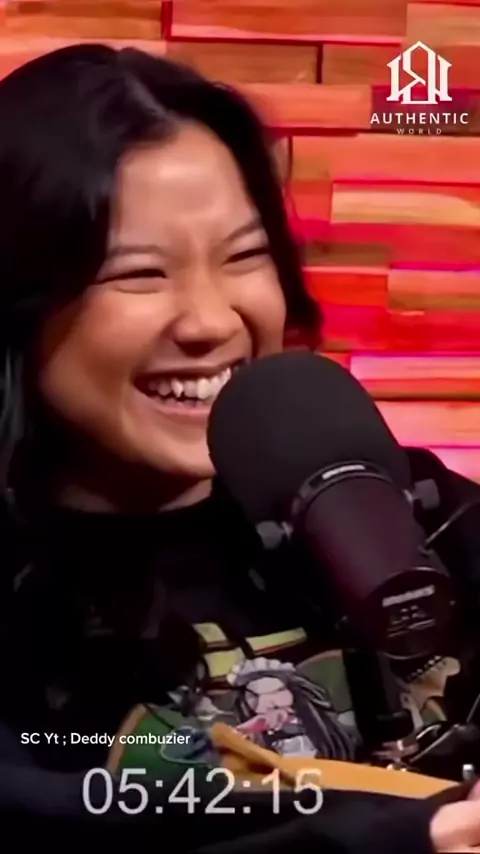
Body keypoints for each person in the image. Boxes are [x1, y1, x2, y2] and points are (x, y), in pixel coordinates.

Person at [0, 43, 480, 852]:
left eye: (246, 257)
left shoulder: (392, 501)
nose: (211, 321)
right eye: (139, 273)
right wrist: (412, 835)